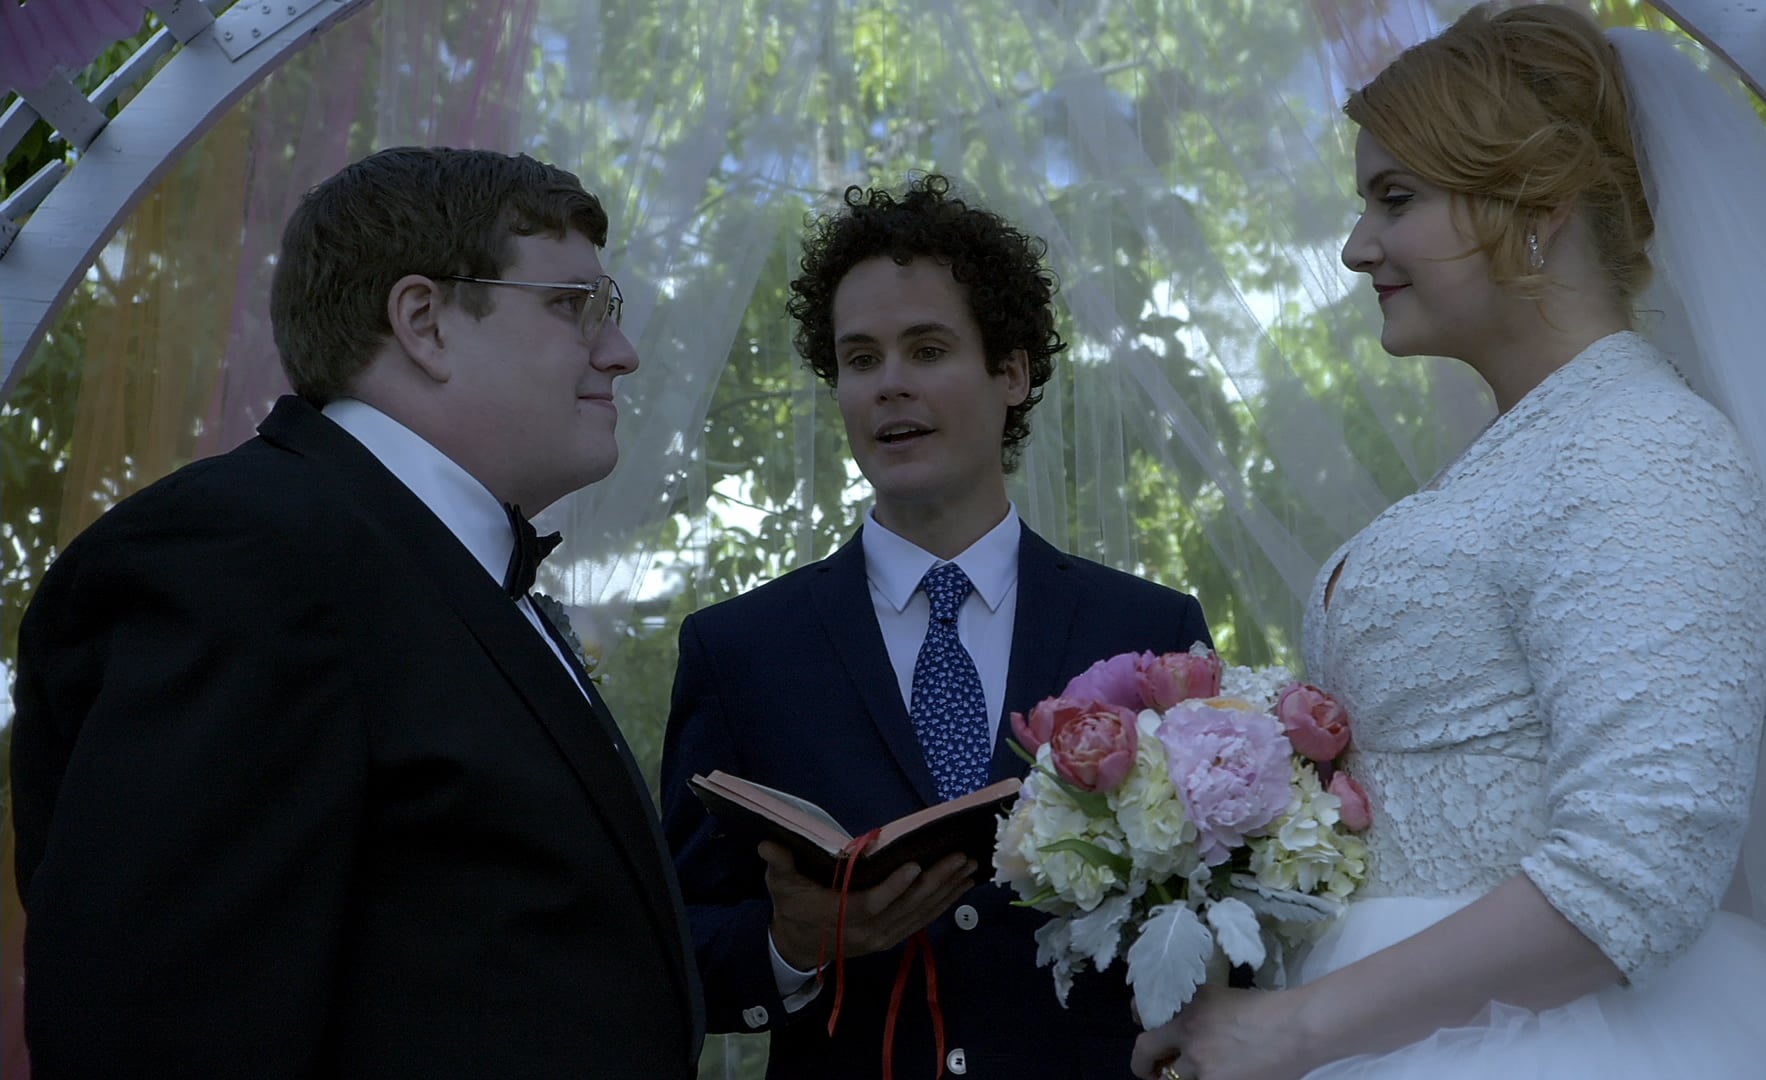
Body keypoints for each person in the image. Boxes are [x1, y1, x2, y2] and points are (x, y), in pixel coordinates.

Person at [1132, 5, 1766, 1079]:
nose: (1357, 247)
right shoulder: (1532, 452)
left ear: (1539, 208)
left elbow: (1638, 866)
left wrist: (1299, 1028)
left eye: (1395, 199)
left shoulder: (1647, 451)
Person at [10, 146, 703, 1077]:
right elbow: (152, 1024)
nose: (619, 351)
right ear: (425, 322)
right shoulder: (243, 555)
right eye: (573, 305)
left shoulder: (412, 563)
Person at [660, 174, 1212, 1078]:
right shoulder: (738, 650)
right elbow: (672, 943)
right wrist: (793, 943)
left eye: (926, 349)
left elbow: (1215, 906)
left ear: (1012, 372)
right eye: (860, 359)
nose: (890, 385)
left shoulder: (1150, 630)